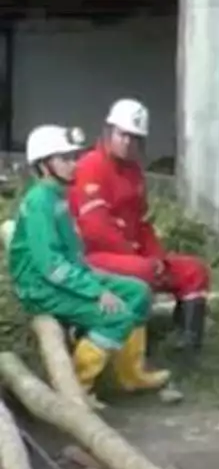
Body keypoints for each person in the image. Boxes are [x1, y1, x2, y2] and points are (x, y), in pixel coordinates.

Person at [11, 125, 169, 405]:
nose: (75, 164)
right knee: (116, 314)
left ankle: (131, 374)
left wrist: (94, 277)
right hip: (41, 288)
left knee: (138, 292)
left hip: (68, 276)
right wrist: (96, 291)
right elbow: (52, 267)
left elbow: (71, 254)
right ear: (45, 165)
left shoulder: (57, 196)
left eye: (75, 157)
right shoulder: (39, 203)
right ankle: (78, 388)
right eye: (65, 158)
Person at [69, 98, 211, 360]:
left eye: (134, 138)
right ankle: (135, 355)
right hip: (94, 258)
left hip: (133, 256)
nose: (127, 142)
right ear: (108, 131)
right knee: (144, 271)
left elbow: (143, 224)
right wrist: (141, 261)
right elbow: (97, 229)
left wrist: (156, 257)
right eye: (123, 135)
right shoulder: (91, 166)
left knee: (194, 271)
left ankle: (186, 352)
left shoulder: (134, 172)